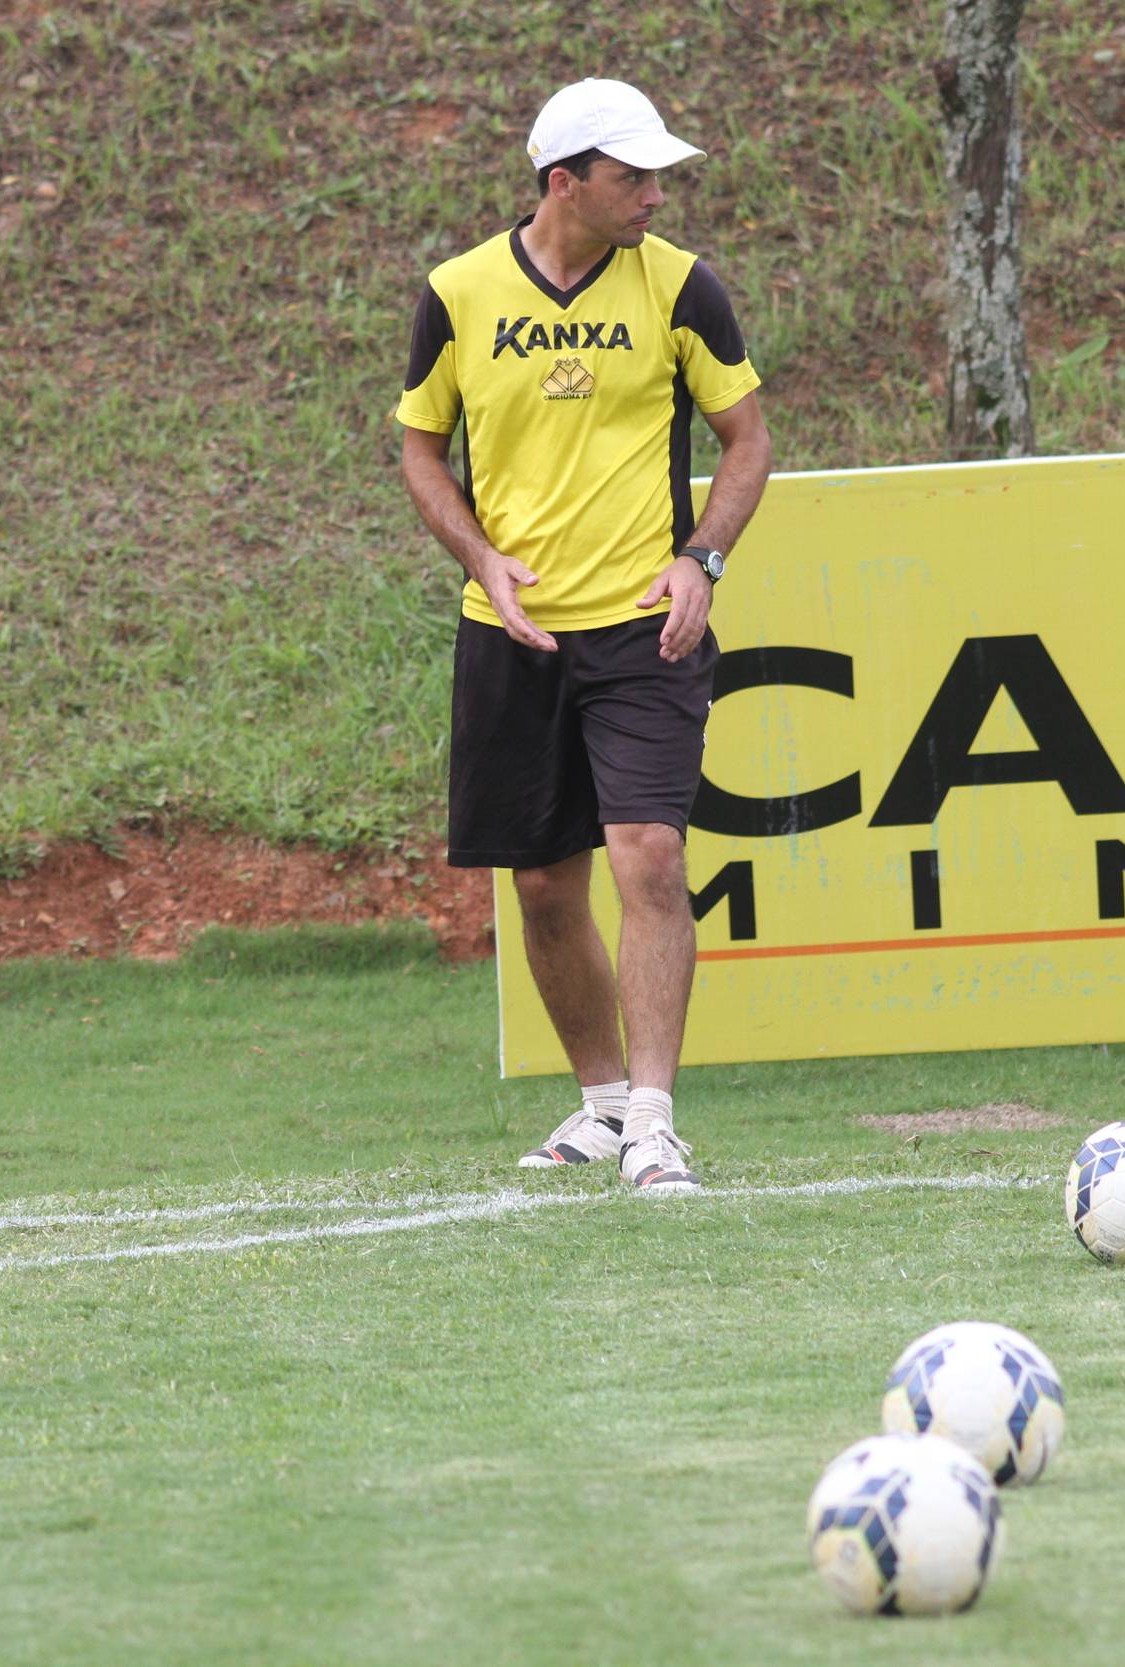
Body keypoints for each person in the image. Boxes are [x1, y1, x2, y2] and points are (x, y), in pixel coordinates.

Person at [396, 79, 773, 1193]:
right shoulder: (457, 293)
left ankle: (654, 1122)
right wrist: (481, 559)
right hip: (511, 637)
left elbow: (747, 440)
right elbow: (421, 450)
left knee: (648, 853)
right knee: (544, 888)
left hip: (645, 632)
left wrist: (701, 558)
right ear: (564, 183)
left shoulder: (683, 287)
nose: (656, 195)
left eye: (659, 176)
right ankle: (602, 1103)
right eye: (633, 177)